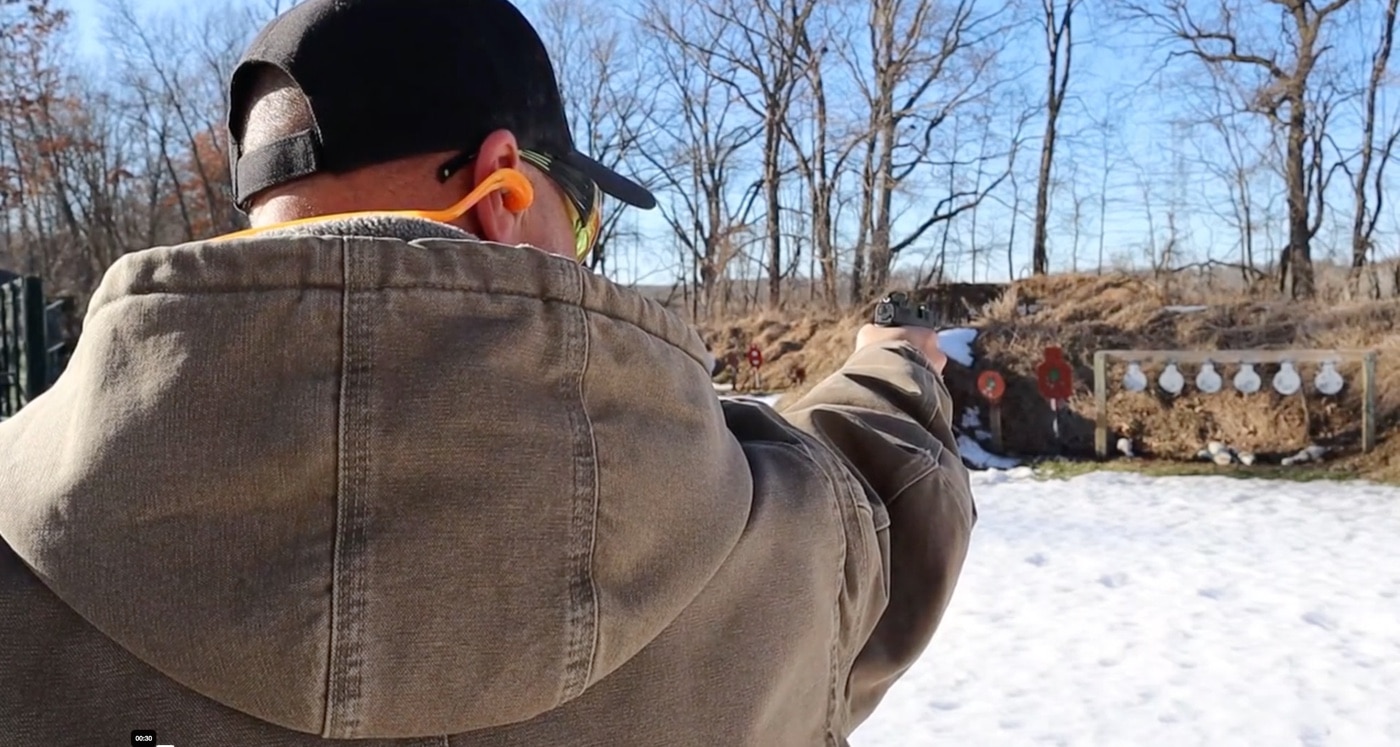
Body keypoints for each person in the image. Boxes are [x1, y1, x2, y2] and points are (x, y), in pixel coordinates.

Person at [0, 0, 976, 744]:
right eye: (580, 213)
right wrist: (893, 362)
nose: (583, 247)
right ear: (498, 189)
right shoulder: (781, 546)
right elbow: (869, 507)